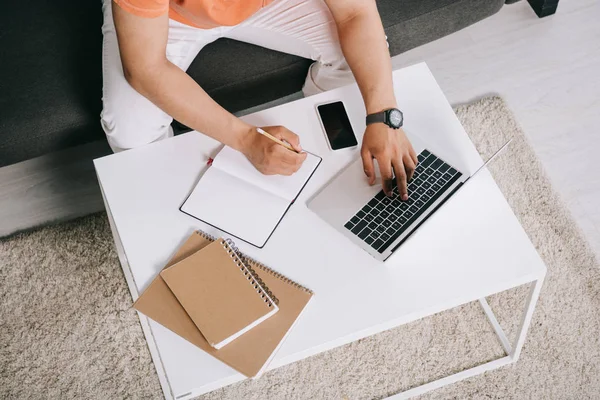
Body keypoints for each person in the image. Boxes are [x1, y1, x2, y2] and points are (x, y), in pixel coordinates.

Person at [101, 0, 417, 198]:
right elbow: (145, 67)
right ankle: (183, 202)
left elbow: (355, 12)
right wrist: (246, 139)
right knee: (131, 130)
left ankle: (318, 159)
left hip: (267, 5)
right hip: (169, 15)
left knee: (356, 64)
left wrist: (383, 114)